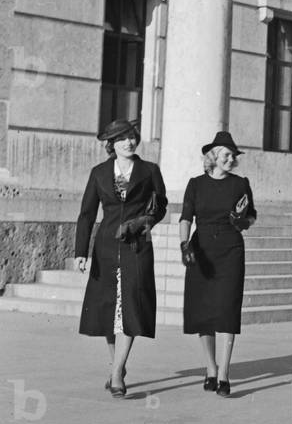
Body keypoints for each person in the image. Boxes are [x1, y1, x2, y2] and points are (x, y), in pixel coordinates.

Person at [74, 118, 168, 397]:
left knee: (131, 307)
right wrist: (80, 251)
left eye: (132, 137)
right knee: (107, 310)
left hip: (137, 246)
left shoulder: (149, 170)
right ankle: (118, 362)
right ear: (111, 144)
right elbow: (87, 213)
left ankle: (117, 373)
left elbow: (160, 206)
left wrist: (144, 222)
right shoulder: (99, 173)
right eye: (122, 138)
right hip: (105, 248)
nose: (129, 142)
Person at [179, 131, 256, 397]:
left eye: (233, 155)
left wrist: (242, 221)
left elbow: (251, 216)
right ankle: (210, 368)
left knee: (227, 309)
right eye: (226, 154)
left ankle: (223, 373)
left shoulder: (240, 184)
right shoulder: (196, 184)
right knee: (204, 312)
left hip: (231, 249)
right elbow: (186, 217)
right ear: (213, 156)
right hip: (201, 250)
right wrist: (184, 244)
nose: (231, 158)